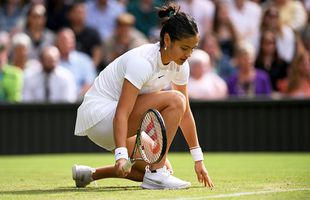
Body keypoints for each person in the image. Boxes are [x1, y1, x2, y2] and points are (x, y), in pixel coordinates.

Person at [73, 3, 214, 190]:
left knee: (159, 168)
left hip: (116, 122)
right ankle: (157, 175)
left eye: (192, 48)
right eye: (184, 48)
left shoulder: (180, 65)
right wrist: (121, 155)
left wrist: (198, 160)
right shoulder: (143, 62)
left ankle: (89, 174)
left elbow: (185, 114)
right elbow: (122, 112)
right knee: (175, 100)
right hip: (101, 117)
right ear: (167, 39)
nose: (188, 54)